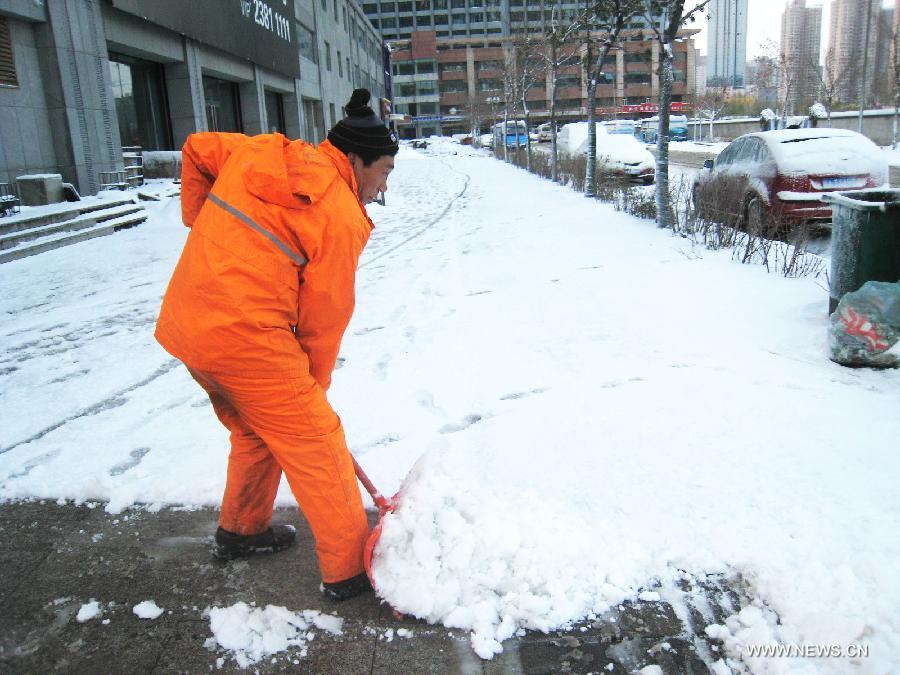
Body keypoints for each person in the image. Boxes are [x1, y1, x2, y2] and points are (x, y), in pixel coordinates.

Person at [155, 89, 398, 601]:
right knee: (318, 443)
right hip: (244, 339)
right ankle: (349, 572)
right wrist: (313, 390)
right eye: (383, 172)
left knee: (255, 431)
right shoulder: (339, 213)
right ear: (354, 160)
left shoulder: (259, 151)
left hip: (189, 323)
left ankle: (242, 531)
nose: (382, 187)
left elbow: (198, 148)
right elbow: (324, 319)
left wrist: (207, 234)